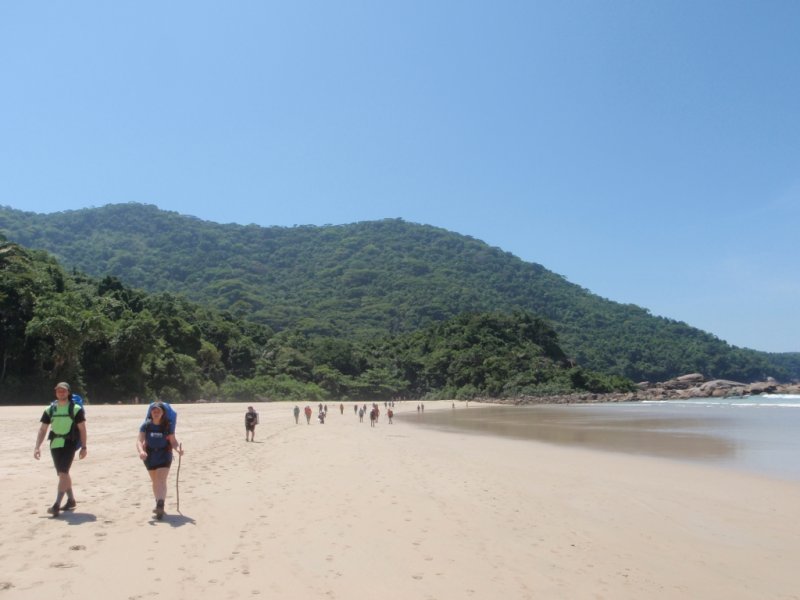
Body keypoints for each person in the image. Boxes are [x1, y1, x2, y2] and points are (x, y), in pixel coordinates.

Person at [34, 382, 88, 517]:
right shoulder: (50, 409)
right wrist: (37, 446)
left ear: (68, 392)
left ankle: (56, 505)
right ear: (55, 393)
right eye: (58, 391)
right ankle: (71, 500)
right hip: (54, 444)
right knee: (62, 474)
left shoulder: (75, 409)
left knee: (63, 472)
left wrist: (84, 446)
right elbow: (43, 429)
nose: (61, 393)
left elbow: (82, 428)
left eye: (63, 391)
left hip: (70, 443)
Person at [136, 401, 183, 519]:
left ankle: (160, 504)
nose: (156, 412)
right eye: (154, 410)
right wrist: (141, 451)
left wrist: (178, 450)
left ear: (163, 413)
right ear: (150, 413)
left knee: (161, 479)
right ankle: (159, 502)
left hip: (164, 454)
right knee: (155, 481)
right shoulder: (145, 425)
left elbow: (173, 441)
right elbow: (139, 440)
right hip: (149, 456)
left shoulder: (167, 426)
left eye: (158, 411)